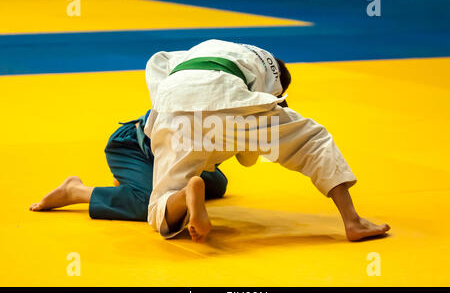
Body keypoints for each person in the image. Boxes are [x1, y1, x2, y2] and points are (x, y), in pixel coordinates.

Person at [143, 39, 390, 242]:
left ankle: (185, 192)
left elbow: (157, 62)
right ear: (279, 87)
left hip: (170, 104)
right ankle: (353, 221)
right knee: (312, 139)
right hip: (225, 95)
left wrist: (162, 116)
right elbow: (250, 153)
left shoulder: (208, 49)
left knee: (159, 206)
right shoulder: (270, 71)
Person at [29, 109, 228, 222]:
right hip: (131, 146)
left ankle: (134, 179)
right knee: (151, 205)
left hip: (168, 151)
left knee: (218, 184)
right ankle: (76, 191)